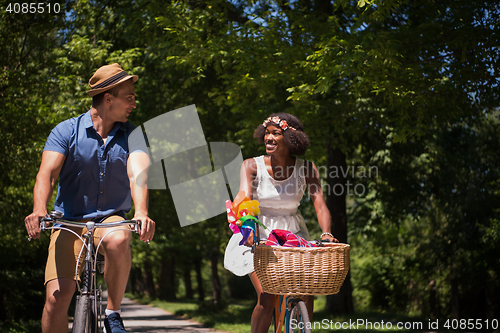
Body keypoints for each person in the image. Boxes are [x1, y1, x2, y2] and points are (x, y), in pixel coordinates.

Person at [24, 63, 155, 333]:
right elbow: (46, 176)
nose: (134, 103)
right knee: (55, 299)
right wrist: (39, 209)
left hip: (110, 219)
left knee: (120, 239)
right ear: (109, 98)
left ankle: (113, 313)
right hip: (68, 221)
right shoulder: (66, 131)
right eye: (129, 97)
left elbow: (138, 174)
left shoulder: (133, 135)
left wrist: (141, 212)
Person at [224, 113, 338, 333]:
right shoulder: (251, 166)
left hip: (292, 235)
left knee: (306, 291)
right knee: (267, 296)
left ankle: (302, 327)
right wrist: (246, 225)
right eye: (266, 133)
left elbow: (320, 205)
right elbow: (243, 197)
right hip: (258, 234)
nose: (269, 137)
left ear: (291, 139)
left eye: (276, 133)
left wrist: (326, 233)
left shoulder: (307, 169)